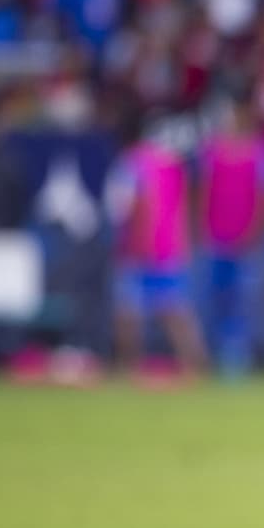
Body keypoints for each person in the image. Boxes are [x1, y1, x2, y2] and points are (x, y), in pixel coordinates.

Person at [104, 116, 208, 376]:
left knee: (129, 312)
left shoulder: (131, 163)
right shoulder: (172, 165)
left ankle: (128, 365)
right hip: (171, 248)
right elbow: (185, 205)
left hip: (139, 248)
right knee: (175, 311)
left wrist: (136, 241)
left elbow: (130, 204)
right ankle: (194, 365)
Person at [197, 91, 264, 376]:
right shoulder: (212, 151)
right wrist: (201, 227)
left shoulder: (261, 153)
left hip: (246, 242)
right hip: (216, 239)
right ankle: (213, 356)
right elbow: (203, 192)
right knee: (215, 299)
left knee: (243, 303)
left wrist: (255, 231)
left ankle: (236, 361)